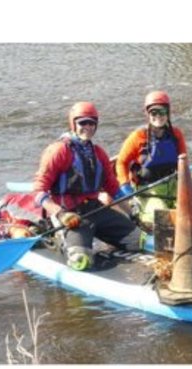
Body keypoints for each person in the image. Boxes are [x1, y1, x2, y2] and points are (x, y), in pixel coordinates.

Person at [32, 102, 137, 271]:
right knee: (81, 262)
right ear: (74, 124)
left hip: (96, 210)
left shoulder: (99, 153)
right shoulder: (58, 151)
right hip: (70, 215)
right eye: (83, 123)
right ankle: (61, 238)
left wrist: (132, 214)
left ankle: (99, 237)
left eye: (91, 123)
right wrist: (61, 214)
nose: (87, 127)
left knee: (137, 241)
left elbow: (114, 190)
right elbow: (38, 191)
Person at [114, 91, 189, 200]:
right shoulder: (137, 137)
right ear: (148, 114)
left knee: (191, 210)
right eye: (154, 112)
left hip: (172, 185)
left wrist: (185, 182)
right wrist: (124, 184)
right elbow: (121, 162)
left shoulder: (176, 134)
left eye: (162, 111)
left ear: (168, 113)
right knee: (162, 215)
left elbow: (183, 162)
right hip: (147, 190)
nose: (158, 116)